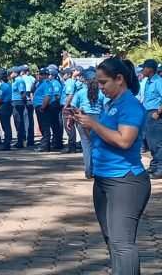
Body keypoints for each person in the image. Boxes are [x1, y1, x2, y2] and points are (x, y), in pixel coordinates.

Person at [71, 58, 150, 275]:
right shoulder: (111, 105)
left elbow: (124, 140)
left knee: (123, 244)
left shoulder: (131, 105)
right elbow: (99, 138)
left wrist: (94, 123)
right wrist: (84, 122)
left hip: (125, 181)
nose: (100, 87)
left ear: (119, 79)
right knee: (113, 241)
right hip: (104, 179)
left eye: (103, 82)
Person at [67, 69, 106, 179]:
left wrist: (74, 117)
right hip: (98, 119)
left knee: (86, 145)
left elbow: (73, 106)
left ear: (84, 79)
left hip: (83, 118)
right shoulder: (101, 91)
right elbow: (105, 106)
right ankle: (99, 169)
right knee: (98, 144)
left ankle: (89, 170)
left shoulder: (80, 92)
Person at [140, 58, 162, 179]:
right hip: (147, 113)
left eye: (145, 68)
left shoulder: (158, 82)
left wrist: (158, 112)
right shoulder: (147, 81)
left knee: (157, 142)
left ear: (151, 69)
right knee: (150, 142)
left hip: (155, 114)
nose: (143, 70)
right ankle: (154, 166)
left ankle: (160, 168)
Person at [33, 68, 54, 152]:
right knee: (42, 126)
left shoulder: (46, 84)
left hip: (44, 107)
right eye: (39, 74)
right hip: (39, 107)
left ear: (45, 75)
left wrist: (42, 107)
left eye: (41, 74)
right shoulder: (40, 83)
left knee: (45, 127)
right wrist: (35, 82)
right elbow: (32, 89)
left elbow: (47, 97)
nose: (39, 76)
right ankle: (46, 145)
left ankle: (44, 145)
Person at [0, 69, 13, 151]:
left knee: (5, 126)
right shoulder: (9, 85)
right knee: (7, 125)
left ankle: (6, 144)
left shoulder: (3, 86)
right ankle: (7, 142)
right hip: (9, 106)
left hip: (4, 106)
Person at [60, 68, 78, 153]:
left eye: (63, 74)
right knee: (68, 126)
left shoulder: (69, 83)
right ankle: (71, 146)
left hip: (68, 106)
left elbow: (70, 95)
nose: (62, 75)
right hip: (66, 106)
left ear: (68, 74)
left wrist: (65, 106)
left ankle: (72, 147)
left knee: (69, 126)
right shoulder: (66, 82)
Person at [9, 67, 27, 148]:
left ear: (16, 73)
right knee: (17, 122)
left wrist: (24, 103)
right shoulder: (15, 80)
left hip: (18, 102)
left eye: (11, 72)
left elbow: (23, 93)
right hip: (15, 102)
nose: (10, 74)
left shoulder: (19, 81)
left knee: (19, 122)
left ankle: (20, 141)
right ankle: (20, 140)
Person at [48, 68, 64, 150]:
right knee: (53, 125)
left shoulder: (56, 83)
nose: (48, 76)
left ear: (53, 76)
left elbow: (57, 96)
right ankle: (55, 141)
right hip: (51, 105)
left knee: (55, 124)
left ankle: (57, 142)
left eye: (49, 75)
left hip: (55, 105)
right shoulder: (50, 83)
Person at [20, 65, 36, 146]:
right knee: (31, 120)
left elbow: (25, 91)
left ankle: (25, 139)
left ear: (22, 72)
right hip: (31, 102)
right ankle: (31, 139)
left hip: (25, 101)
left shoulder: (22, 79)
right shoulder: (32, 78)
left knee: (25, 121)